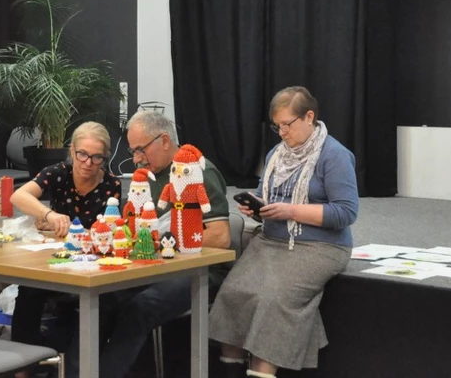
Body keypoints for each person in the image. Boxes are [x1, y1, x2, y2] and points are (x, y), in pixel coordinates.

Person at [209, 87, 359, 378]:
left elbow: (345, 213)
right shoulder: (276, 154)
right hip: (271, 240)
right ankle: (231, 369)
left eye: (287, 124)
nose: (282, 132)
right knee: (234, 294)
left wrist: (291, 211)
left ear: (309, 117)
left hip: (320, 246)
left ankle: (262, 370)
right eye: (276, 126)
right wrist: (257, 208)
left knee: (273, 302)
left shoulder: (335, 155)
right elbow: (267, 195)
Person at [96, 110, 231, 378]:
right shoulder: (145, 176)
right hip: (150, 266)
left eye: (140, 149)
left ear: (165, 141)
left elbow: (220, 237)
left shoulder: (196, 171)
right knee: (101, 301)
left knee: (140, 308)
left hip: (198, 271)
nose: (136, 158)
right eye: (133, 151)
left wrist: (162, 245)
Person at [9, 121, 121, 374]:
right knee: (29, 289)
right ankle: (21, 368)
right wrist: (49, 215)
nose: (88, 163)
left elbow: (112, 231)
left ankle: (75, 368)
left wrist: (81, 232)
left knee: (103, 301)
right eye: (82, 154)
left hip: (92, 265)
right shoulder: (58, 173)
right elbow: (18, 196)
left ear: (105, 158)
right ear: (72, 151)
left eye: (96, 157)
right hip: (56, 261)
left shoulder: (111, 185)